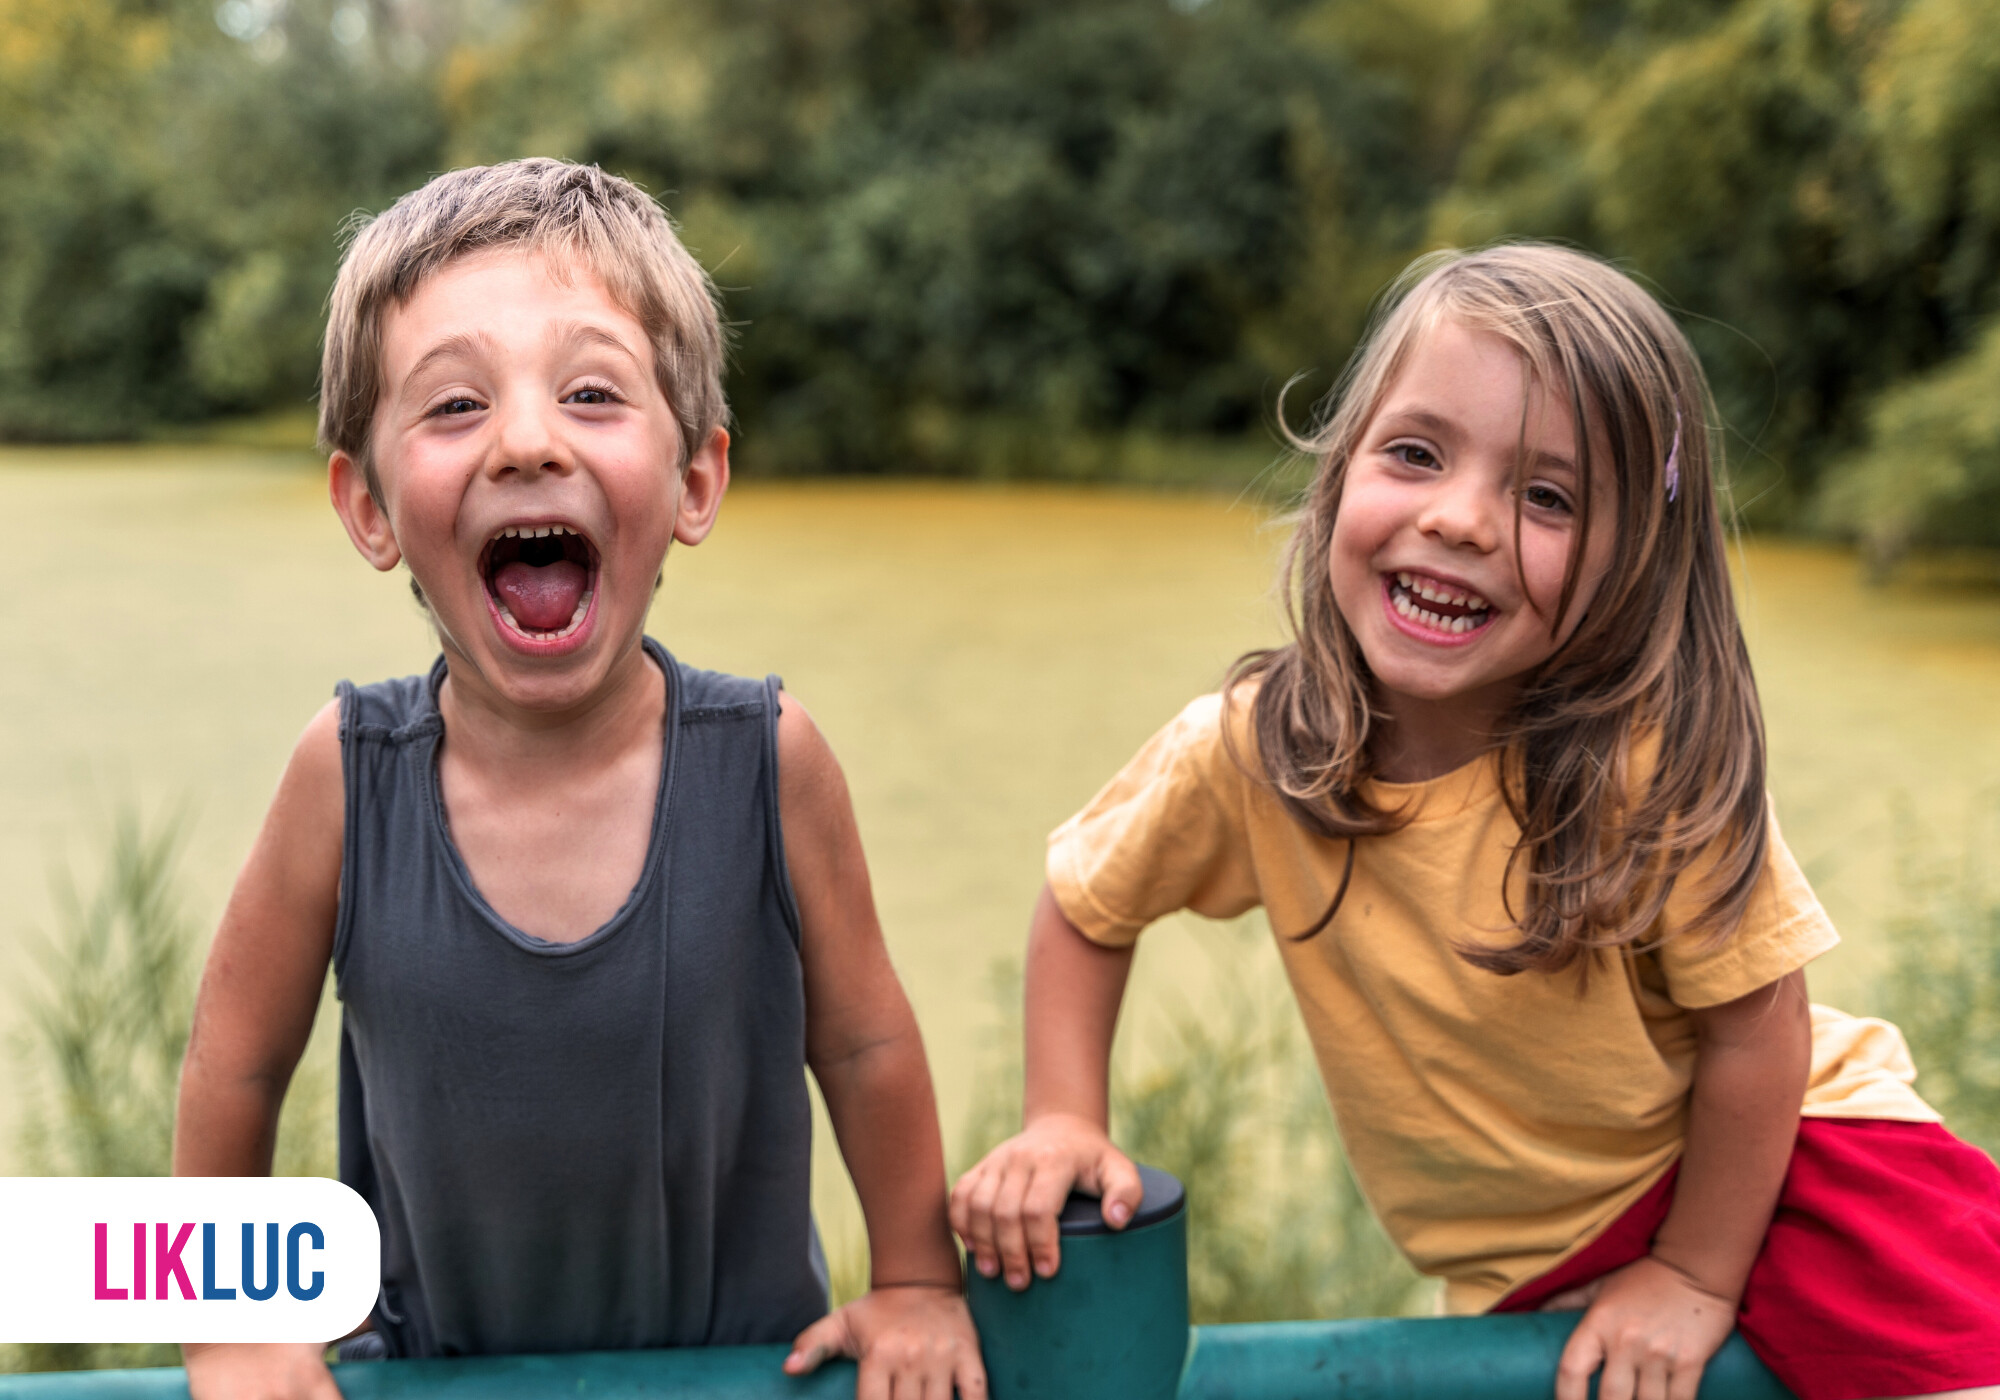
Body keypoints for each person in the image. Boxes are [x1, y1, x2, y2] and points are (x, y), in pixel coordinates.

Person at [950, 243, 2000, 1400]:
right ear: (1338, 467)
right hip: (1537, 1258)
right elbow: (1089, 899)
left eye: (1545, 497)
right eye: (1413, 454)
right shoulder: (1255, 748)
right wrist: (1060, 1118)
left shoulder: (1639, 768)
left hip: (1800, 1174)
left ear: (1631, 564)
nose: (1458, 519)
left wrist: (1693, 1274)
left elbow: (1760, 1028)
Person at [174, 158, 983, 1400]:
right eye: (452, 407)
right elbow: (233, 1062)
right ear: (370, 504)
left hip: (742, 1380)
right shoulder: (343, 778)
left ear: (694, 480)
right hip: (428, 1381)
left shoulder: (771, 760)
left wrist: (918, 1281)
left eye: (592, 393)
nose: (527, 442)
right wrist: (228, 1326)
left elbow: (866, 1040)